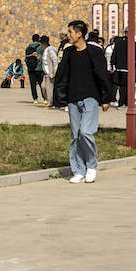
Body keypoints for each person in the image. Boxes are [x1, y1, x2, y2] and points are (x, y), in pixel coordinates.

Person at [50, 19, 113, 183]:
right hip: (73, 98)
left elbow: (102, 76)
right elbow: (62, 76)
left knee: (86, 132)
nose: (68, 35)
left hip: (90, 98)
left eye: (70, 32)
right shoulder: (69, 52)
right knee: (75, 136)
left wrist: (106, 98)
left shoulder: (94, 51)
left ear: (79, 34)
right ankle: (78, 169)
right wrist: (59, 97)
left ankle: (91, 165)